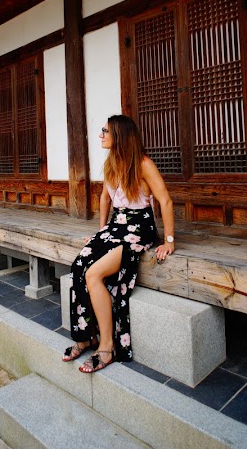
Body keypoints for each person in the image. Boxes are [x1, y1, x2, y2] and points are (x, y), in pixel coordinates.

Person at [62, 114, 175, 373]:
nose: (100, 135)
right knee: (79, 264)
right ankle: (84, 337)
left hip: (138, 229)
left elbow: (165, 200)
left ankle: (107, 346)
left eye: (105, 131)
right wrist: (101, 233)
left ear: (119, 136)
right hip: (116, 226)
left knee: (94, 274)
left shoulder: (144, 164)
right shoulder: (112, 162)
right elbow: (105, 198)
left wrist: (169, 240)